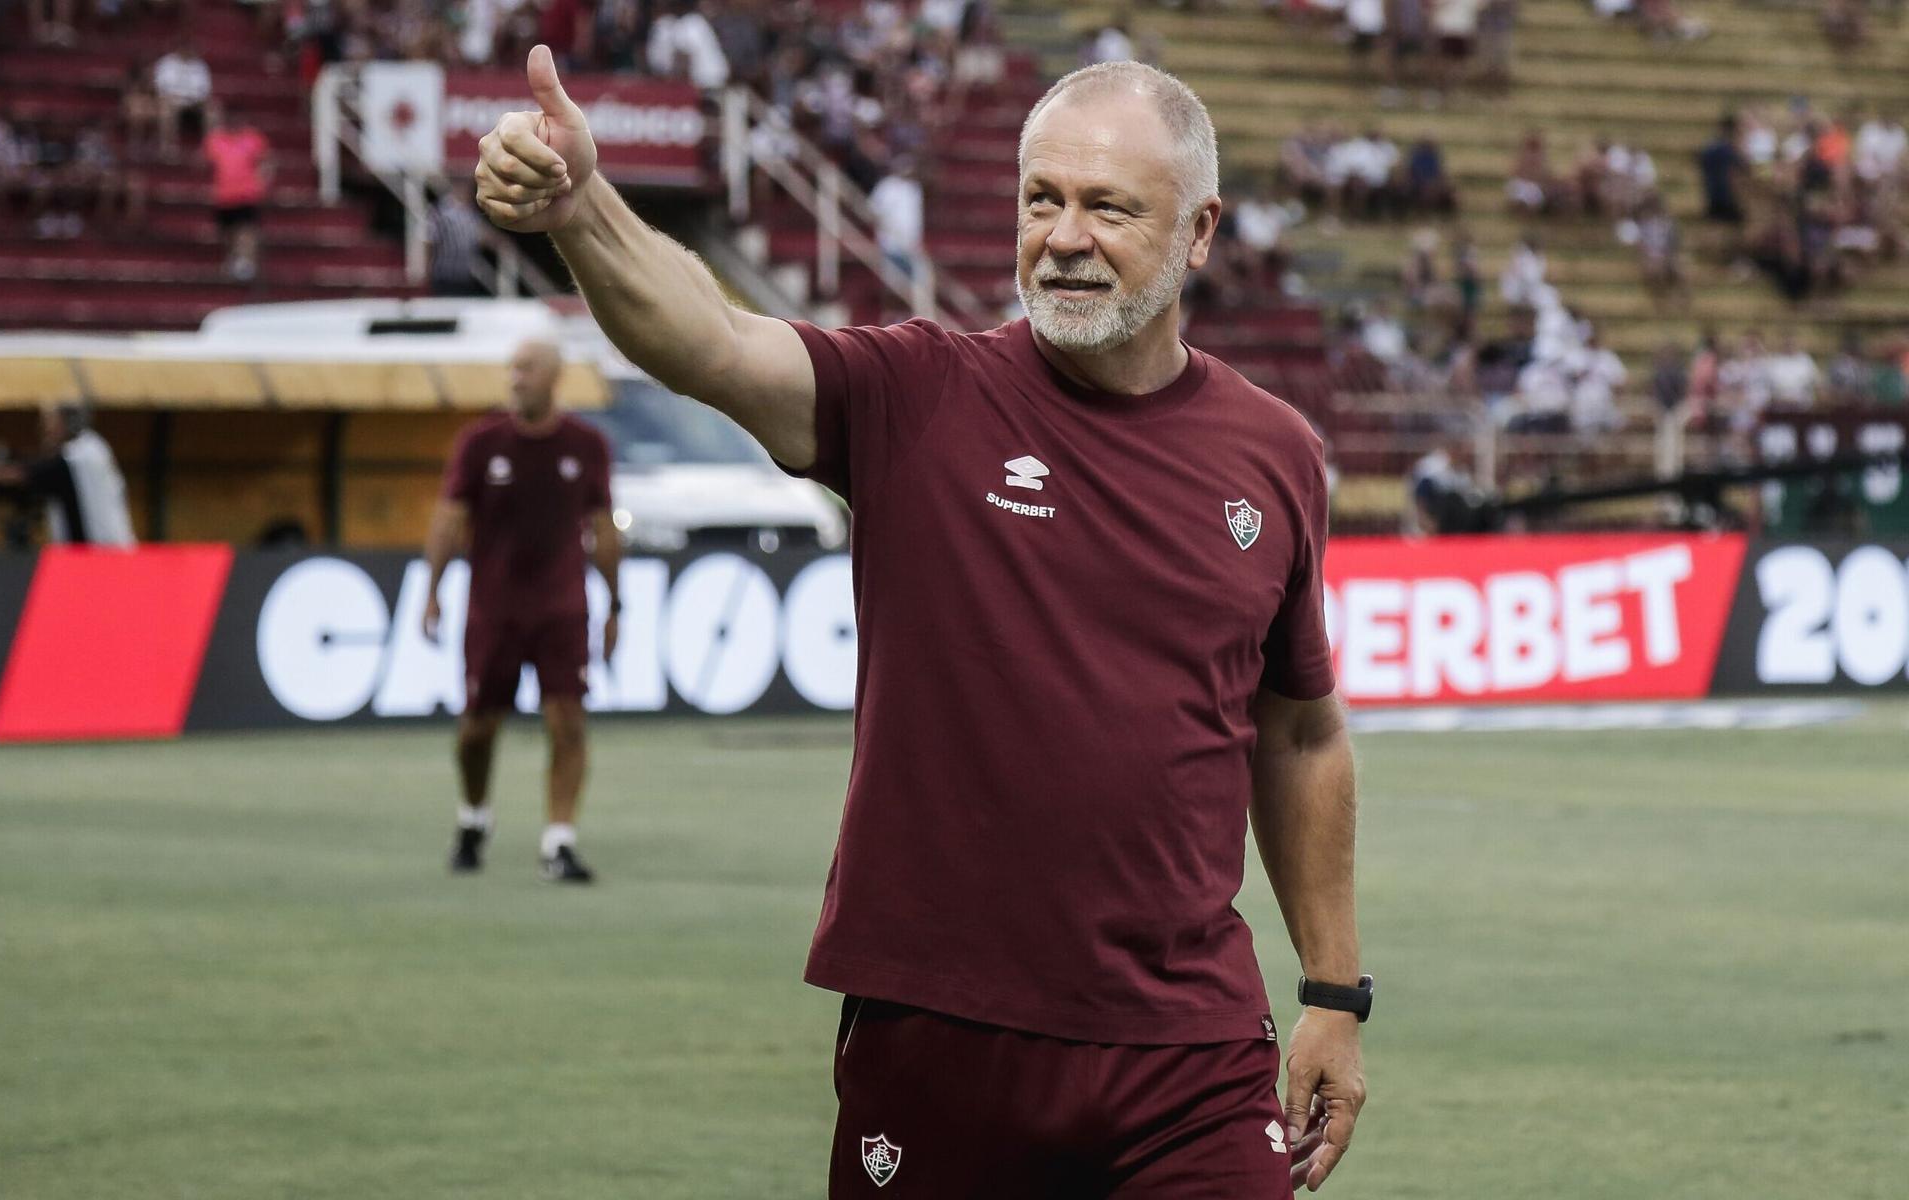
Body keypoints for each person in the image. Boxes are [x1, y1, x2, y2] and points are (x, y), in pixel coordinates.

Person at [475, 47, 1368, 1197]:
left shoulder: (1276, 454)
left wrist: (1335, 996)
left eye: (1108, 207)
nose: (1064, 236)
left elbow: (1299, 733)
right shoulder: (919, 395)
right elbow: (710, 340)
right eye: (1041, 200)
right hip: (939, 1033)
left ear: (1199, 233)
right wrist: (581, 205)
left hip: (1187, 1052)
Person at [421, 338, 619, 883]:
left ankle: (559, 842)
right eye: (512, 368)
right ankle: (473, 817)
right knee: (477, 728)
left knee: (568, 723)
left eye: (527, 369)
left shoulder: (587, 444)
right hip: (495, 609)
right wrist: (432, 590)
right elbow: (448, 518)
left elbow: (603, 529)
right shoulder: (481, 443)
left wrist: (615, 605)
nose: (516, 378)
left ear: (554, 377)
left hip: (561, 608)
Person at [0, 403, 136, 546]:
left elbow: (24, 473)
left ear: (68, 422)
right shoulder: (94, 447)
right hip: (106, 546)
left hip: (98, 550)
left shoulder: (78, 457)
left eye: (51, 421)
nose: (44, 428)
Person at [202, 106, 271, 281]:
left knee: (246, 229)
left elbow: (267, 161)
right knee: (228, 232)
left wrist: (262, 181)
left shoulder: (253, 138)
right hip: (224, 194)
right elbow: (207, 164)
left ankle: (247, 262)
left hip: (247, 192)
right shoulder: (215, 139)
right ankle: (233, 259)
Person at [153, 39, 212, 159]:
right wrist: (175, 98)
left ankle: (208, 149)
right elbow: (161, 88)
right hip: (172, 101)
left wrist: (196, 100)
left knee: (213, 112)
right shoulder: (166, 63)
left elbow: (205, 91)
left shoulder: (200, 65)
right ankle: (168, 148)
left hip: (194, 103)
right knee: (166, 110)